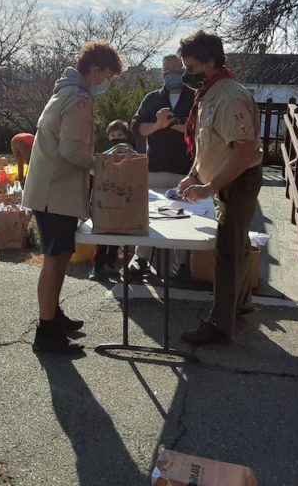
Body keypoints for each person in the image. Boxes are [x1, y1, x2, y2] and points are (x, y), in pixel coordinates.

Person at [22, 41, 123, 354]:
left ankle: (52, 317)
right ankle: (46, 330)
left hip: (50, 190)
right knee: (54, 260)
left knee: (61, 256)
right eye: (107, 75)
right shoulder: (78, 98)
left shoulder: (66, 90)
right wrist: (101, 166)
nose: (108, 82)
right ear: (94, 70)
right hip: (56, 193)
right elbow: (70, 150)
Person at [176, 30, 263, 345]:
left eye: (192, 67)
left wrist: (210, 187)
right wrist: (193, 175)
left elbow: (243, 151)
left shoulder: (229, 97)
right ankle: (239, 305)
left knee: (227, 251)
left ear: (210, 62)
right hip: (226, 178)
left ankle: (220, 325)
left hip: (237, 180)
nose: (187, 74)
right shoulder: (211, 92)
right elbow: (208, 145)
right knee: (236, 246)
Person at [127, 54, 195, 282]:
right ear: (162, 72)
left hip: (183, 170)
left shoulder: (195, 98)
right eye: (168, 70)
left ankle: (183, 265)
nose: (172, 73)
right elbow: (137, 129)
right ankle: (141, 259)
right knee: (149, 216)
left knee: (183, 218)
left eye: (177, 68)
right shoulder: (152, 98)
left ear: (184, 70)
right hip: (154, 168)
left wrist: (179, 126)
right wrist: (158, 125)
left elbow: (202, 131)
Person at [88, 119, 132, 281]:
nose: (116, 138)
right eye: (113, 135)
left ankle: (111, 263)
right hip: (105, 200)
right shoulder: (104, 155)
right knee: (102, 233)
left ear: (125, 136)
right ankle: (98, 265)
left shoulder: (132, 154)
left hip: (124, 199)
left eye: (119, 135)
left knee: (116, 233)